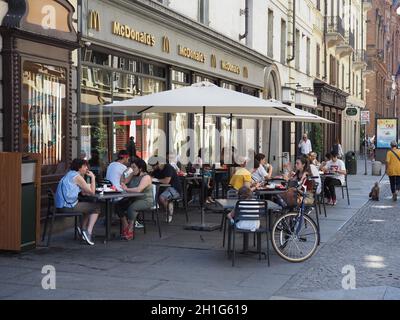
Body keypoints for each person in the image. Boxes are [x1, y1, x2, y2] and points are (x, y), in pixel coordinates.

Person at [55, 159, 101, 245]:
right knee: (96, 207)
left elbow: (83, 191)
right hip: (67, 207)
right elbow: (92, 192)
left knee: (88, 206)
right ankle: (88, 232)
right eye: (85, 166)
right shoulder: (77, 177)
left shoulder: (70, 174)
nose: (87, 168)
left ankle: (82, 228)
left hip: (61, 206)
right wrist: (93, 178)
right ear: (79, 168)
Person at [119, 158, 153, 240]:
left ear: (140, 168)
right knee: (118, 205)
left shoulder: (146, 177)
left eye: (134, 167)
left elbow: (139, 189)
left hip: (145, 200)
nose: (132, 169)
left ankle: (130, 230)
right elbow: (123, 182)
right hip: (133, 198)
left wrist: (127, 189)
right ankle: (126, 226)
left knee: (132, 208)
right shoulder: (133, 174)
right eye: (131, 167)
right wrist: (125, 172)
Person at [149, 156, 182, 223]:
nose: (152, 167)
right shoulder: (156, 170)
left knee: (162, 197)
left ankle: (169, 213)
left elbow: (166, 181)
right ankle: (167, 206)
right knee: (153, 196)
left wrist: (156, 179)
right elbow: (150, 177)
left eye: (153, 165)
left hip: (174, 188)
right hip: (163, 188)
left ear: (158, 163)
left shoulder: (168, 167)